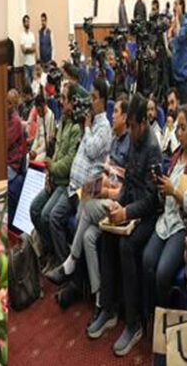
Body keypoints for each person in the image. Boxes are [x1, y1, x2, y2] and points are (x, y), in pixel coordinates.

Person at [89, 94, 163, 356]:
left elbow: (152, 200)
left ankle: (134, 324)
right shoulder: (134, 140)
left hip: (149, 216)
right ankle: (108, 309)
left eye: (133, 125)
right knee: (106, 234)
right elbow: (129, 183)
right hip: (131, 208)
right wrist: (118, 205)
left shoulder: (153, 148)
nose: (129, 130)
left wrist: (127, 212)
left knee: (127, 246)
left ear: (143, 122)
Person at [45, 97, 130, 308]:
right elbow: (106, 170)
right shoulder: (114, 138)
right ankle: (99, 297)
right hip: (103, 192)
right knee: (88, 236)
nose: (112, 115)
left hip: (118, 202)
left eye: (116, 112)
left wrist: (107, 188)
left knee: (85, 205)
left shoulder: (129, 144)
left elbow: (126, 186)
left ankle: (71, 261)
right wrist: (103, 182)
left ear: (126, 117)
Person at [142, 105, 187, 336]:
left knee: (162, 273)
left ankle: (167, 326)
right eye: (177, 127)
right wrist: (162, 188)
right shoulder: (176, 156)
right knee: (147, 260)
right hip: (166, 219)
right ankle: (152, 314)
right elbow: (166, 194)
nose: (178, 132)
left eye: (183, 128)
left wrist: (173, 191)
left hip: (182, 224)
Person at [46, 81, 112, 272]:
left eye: (94, 97)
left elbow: (91, 150)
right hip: (74, 187)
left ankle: (69, 270)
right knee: (50, 216)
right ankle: (64, 265)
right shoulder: (90, 122)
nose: (90, 101)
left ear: (102, 100)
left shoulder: (103, 127)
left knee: (58, 219)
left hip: (86, 191)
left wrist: (87, 127)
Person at [29, 82, 82, 272]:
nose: (60, 101)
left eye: (64, 99)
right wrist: (48, 173)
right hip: (54, 179)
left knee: (47, 216)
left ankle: (60, 262)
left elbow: (68, 163)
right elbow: (56, 153)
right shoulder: (63, 122)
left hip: (66, 183)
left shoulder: (76, 127)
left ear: (73, 102)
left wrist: (51, 167)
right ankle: (49, 249)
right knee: (34, 209)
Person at [169, 0, 187, 102]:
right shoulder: (175, 24)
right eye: (174, 4)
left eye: (176, 4)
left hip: (183, 75)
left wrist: (176, 20)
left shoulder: (186, 25)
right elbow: (171, 43)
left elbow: (180, 36)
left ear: (181, 6)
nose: (174, 7)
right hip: (174, 72)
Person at [27, 93, 55, 161]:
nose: (38, 113)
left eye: (39, 111)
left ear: (44, 106)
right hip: (38, 147)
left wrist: (36, 153)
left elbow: (47, 141)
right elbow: (37, 137)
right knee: (27, 158)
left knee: (37, 160)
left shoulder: (50, 116)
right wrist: (32, 150)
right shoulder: (39, 116)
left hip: (45, 150)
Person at [7, 89, 26, 179]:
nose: (6, 105)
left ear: (15, 106)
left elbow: (5, 144)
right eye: (6, 101)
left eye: (9, 103)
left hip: (11, 166)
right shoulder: (6, 117)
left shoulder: (15, 121)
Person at [161, 87, 181, 156]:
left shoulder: (182, 124)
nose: (170, 108)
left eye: (172, 103)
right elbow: (162, 148)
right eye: (168, 104)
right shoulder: (169, 121)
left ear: (178, 102)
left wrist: (171, 129)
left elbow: (176, 152)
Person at [19, 14, 37, 85]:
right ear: (23, 23)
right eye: (26, 21)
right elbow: (23, 50)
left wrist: (27, 49)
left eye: (28, 21)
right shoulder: (22, 35)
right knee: (27, 84)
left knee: (34, 83)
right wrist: (30, 49)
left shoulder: (32, 34)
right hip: (26, 64)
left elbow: (34, 48)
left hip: (33, 63)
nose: (28, 23)